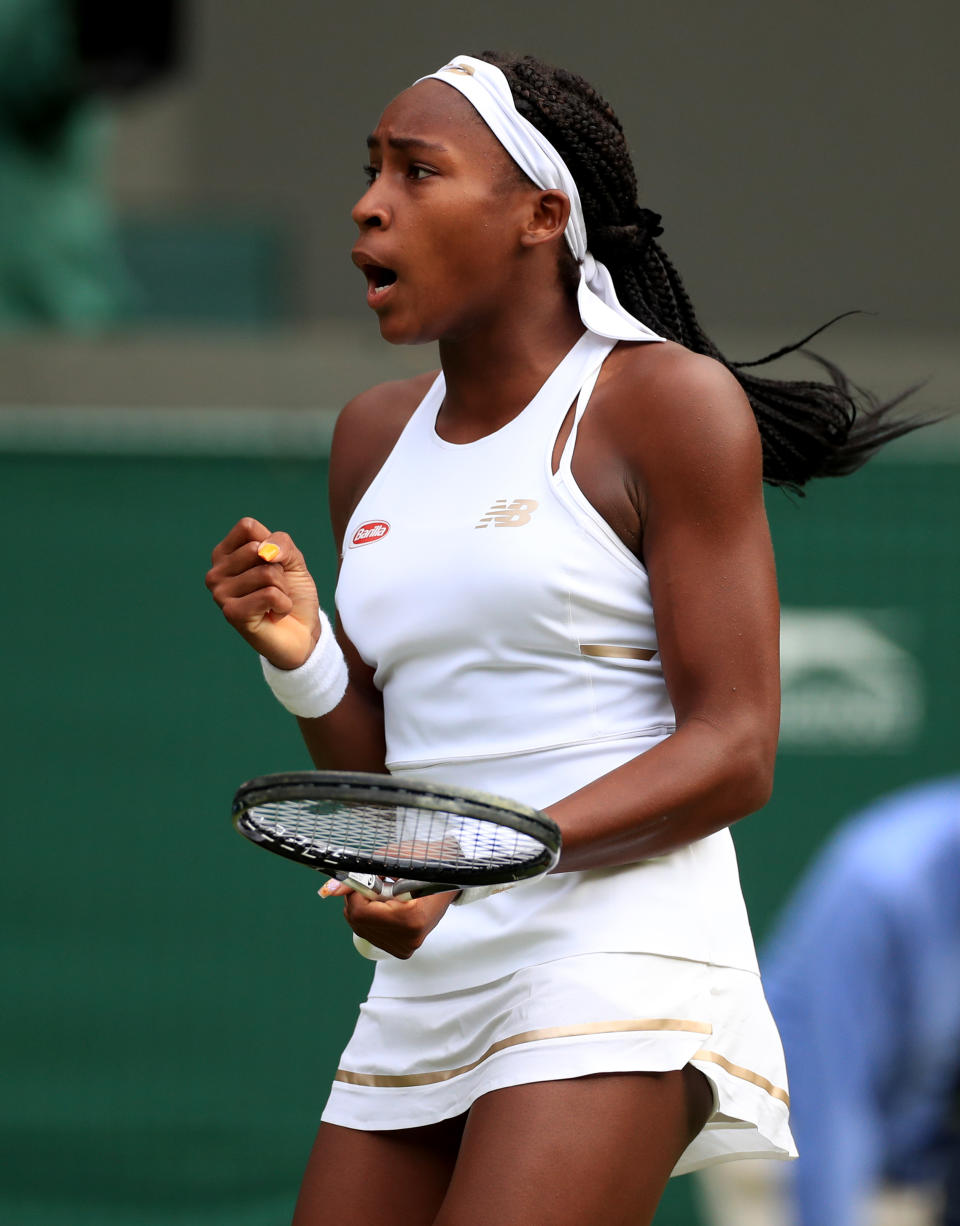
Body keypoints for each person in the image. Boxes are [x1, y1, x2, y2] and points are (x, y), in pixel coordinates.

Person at [205, 53, 925, 1226]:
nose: (369, 200)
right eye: (371, 169)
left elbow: (737, 747)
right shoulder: (371, 437)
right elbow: (390, 779)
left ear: (543, 216)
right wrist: (301, 654)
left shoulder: (665, 402)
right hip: (433, 964)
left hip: (620, 950)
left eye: (418, 170)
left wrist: (470, 860)